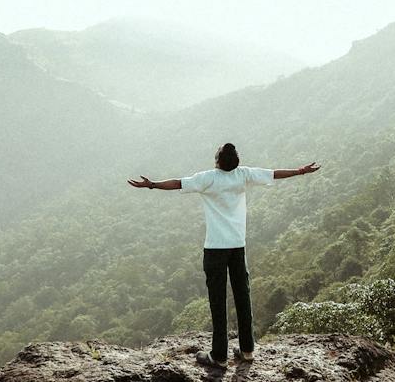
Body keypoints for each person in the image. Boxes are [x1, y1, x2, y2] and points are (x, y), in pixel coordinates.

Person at [128, 143, 320, 367]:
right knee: (242, 297)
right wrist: (300, 171)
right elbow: (273, 174)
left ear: (218, 160)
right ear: (236, 161)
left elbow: (177, 183)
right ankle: (247, 350)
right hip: (238, 246)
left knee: (218, 301)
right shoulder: (243, 175)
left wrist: (151, 185)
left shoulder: (208, 178)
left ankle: (219, 355)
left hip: (215, 248)